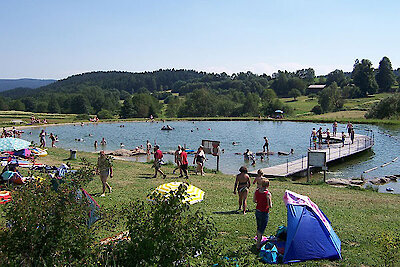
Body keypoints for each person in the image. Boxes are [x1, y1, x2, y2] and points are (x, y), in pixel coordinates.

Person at [253, 178, 272, 250]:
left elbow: (254, 200)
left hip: (257, 211)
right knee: (262, 228)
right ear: (267, 186)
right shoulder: (267, 194)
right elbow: (270, 205)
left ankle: (258, 240)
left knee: (258, 226)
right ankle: (258, 245)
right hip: (264, 212)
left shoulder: (257, 191)